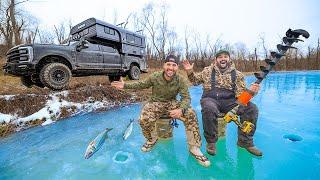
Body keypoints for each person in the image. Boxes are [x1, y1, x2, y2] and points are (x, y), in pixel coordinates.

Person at [111, 55, 211, 167]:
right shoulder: (155, 76)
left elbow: (186, 98)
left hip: (172, 103)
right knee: (144, 118)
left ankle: (194, 147)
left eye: (174, 65)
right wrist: (125, 85)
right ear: (164, 65)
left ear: (177, 67)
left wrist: (181, 109)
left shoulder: (181, 80)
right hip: (155, 103)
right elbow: (141, 84)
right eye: (168, 64)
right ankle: (151, 139)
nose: (171, 68)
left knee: (191, 113)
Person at [182, 49, 263, 157]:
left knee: (251, 108)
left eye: (225, 56)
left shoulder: (238, 75)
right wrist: (189, 71)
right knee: (209, 108)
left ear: (229, 59)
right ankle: (211, 142)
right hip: (210, 99)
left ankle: (245, 142)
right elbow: (195, 81)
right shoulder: (207, 71)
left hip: (230, 101)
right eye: (220, 57)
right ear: (216, 60)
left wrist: (251, 92)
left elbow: (240, 96)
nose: (223, 59)